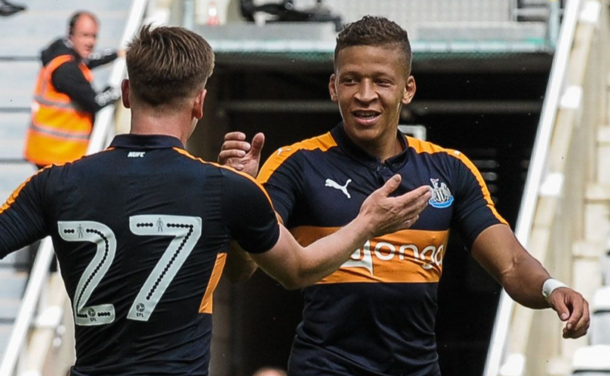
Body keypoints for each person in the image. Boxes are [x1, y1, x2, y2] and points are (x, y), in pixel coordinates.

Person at [0, 25, 431, 376]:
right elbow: (297, 271)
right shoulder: (226, 189)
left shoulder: (54, 184)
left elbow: (248, 268)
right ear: (200, 103)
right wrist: (368, 222)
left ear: (128, 93)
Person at [218, 16, 590, 376]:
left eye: (381, 81)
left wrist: (550, 288)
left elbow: (510, 263)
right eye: (351, 81)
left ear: (407, 88)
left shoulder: (450, 169)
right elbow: (241, 269)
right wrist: (242, 199)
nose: (365, 96)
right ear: (333, 87)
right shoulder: (295, 164)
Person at [24, 10, 122, 169]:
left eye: (94, 36)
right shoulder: (66, 70)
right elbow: (95, 101)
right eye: (84, 35)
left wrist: (117, 54)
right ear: (71, 35)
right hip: (57, 155)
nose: (90, 42)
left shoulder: (61, 53)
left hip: (50, 151)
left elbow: (87, 61)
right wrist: (121, 90)